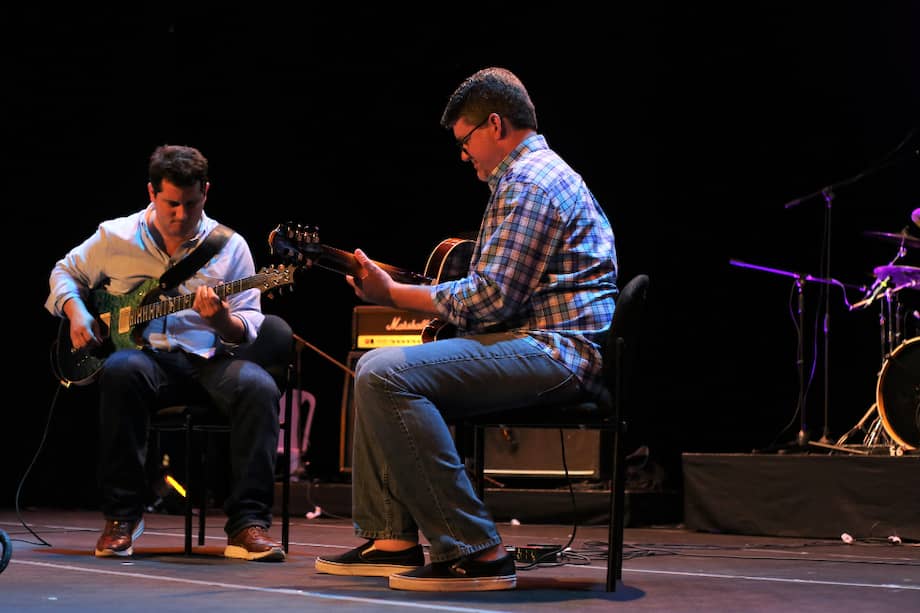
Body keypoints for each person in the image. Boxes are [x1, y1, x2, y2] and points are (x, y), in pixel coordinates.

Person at [314, 67, 618, 591]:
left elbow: (490, 299)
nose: (463, 155)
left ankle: (476, 550)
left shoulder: (530, 183)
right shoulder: (533, 177)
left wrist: (392, 294)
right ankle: (391, 539)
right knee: (374, 367)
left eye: (465, 140)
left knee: (385, 374)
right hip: (539, 343)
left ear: (495, 125)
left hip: (554, 353)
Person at [45, 144, 286, 561]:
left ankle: (248, 524)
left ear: (206, 192)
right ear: (152, 193)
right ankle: (122, 518)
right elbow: (64, 271)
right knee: (121, 369)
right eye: (171, 203)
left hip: (205, 360)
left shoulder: (231, 246)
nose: (180, 214)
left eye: (191, 204)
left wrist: (221, 321)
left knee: (259, 388)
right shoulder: (115, 236)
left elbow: (247, 324)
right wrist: (76, 310)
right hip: (144, 360)